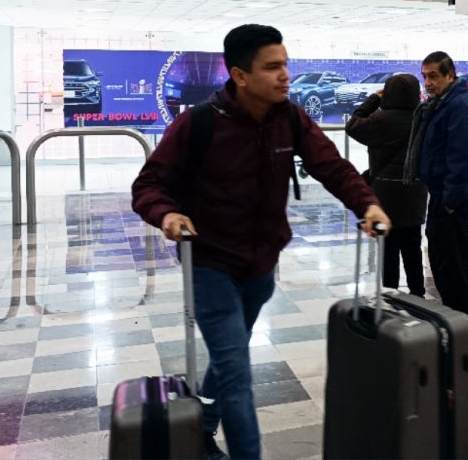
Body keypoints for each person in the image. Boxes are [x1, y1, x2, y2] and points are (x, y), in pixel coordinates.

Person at [131, 24, 390, 460]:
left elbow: (332, 166)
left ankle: (204, 426)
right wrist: (168, 214)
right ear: (240, 75)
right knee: (236, 371)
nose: (285, 75)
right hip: (210, 262)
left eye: (285, 64)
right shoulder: (198, 124)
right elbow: (148, 186)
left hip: (261, 265)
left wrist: (366, 204)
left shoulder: (289, 118)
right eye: (272, 67)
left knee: (229, 357)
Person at [403, 51, 468, 333]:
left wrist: (451, 202)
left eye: (434, 76)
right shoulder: (442, 103)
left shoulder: (459, 106)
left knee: (452, 264)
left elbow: (464, 159)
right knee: (445, 262)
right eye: (424, 76)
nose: (427, 83)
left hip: (454, 196)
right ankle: (462, 320)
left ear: (450, 75)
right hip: (443, 193)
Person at [346, 74, 428, 297]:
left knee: (387, 248)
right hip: (415, 192)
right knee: (413, 247)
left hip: (384, 196)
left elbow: (352, 125)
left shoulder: (379, 120)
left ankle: (390, 295)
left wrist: (373, 99)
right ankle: (417, 295)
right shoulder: (422, 119)